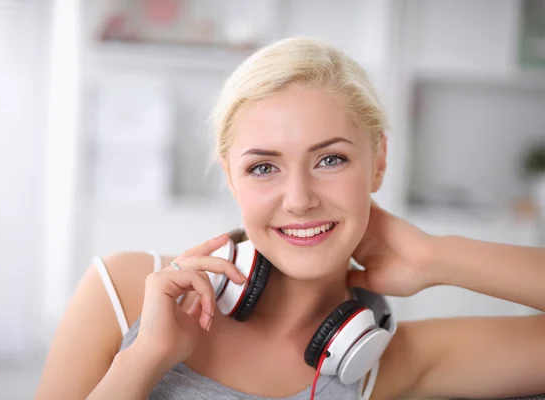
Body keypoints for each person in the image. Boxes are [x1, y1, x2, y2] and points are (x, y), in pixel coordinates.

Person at [35, 37, 545, 400]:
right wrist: (144, 358)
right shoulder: (123, 289)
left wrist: (436, 256)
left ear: (380, 161)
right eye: (263, 167)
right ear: (231, 179)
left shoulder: (386, 364)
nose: (298, 199)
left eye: (330, 160)